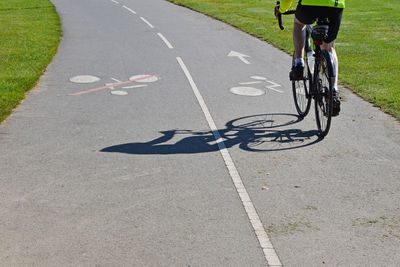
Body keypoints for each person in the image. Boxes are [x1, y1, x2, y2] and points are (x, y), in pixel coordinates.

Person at [275, 0, 345, 116]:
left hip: (309, 5)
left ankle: (299, 64)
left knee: (299, 24)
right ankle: (334, 92)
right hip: (335, 6)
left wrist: (281, 9)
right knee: (329, 47)